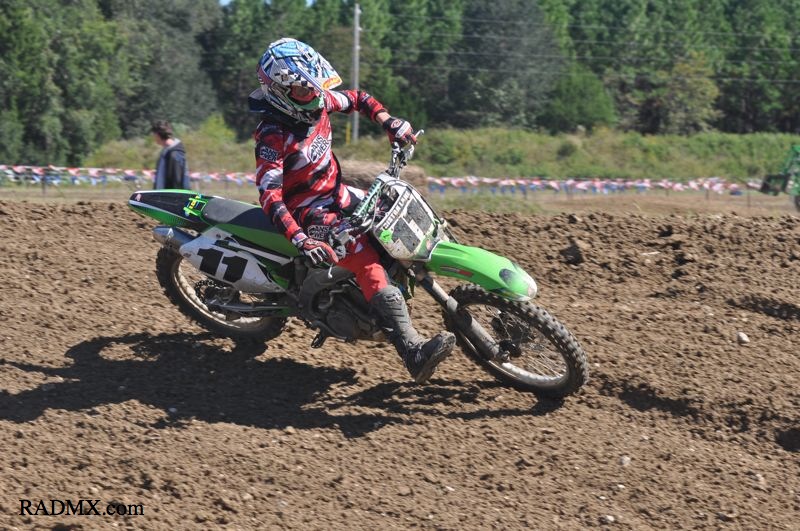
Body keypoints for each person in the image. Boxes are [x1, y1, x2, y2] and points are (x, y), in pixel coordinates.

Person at [249, 37, 454, 384]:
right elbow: (269, 194)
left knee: (397, 207)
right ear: (279, 92)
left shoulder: (317, 101)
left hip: (337, 193)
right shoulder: (273, 135)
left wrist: (389, 121)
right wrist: (300, 238)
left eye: (315, 89)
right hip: (308, 213)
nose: (314, 97)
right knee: (365, 258)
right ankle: (412, 352)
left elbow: (358, 98)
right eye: (303, 91)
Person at [151, 120, 190, 190]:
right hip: (163, 194)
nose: (153, 138)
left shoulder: (175, 154)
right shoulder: (167, 151)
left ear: (157, 135)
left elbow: (177, 181)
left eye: (153, 135)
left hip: (172, 195)